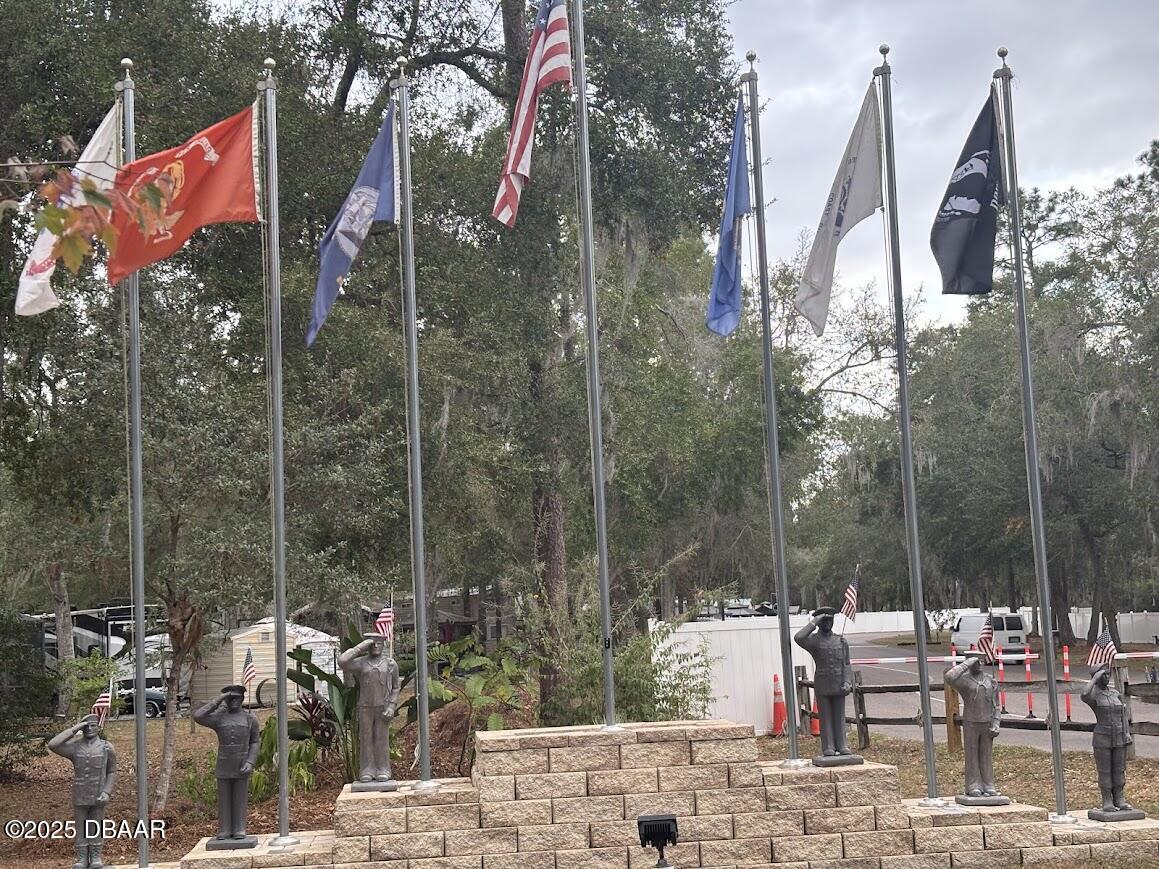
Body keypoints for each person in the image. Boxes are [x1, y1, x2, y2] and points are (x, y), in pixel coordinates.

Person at [48, 714, 118, 869]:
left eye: (93, 725)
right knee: (80, 828)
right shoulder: (74, 747)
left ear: (99, 727)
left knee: (95, 826)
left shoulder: (106, 747)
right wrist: (75, 729)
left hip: (98, 793)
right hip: (80, 793)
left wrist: (107, 792)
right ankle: (81, 859)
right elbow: (53, 745)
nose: (90, 729)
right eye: (86, 726)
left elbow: (112, 771)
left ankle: (95, 858)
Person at [193, 685, 259, 842]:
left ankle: (239, 828)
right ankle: (224, 829)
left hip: (242, 762)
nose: (233, 701)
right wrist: (219, 699)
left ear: (242, 699)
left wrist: (250, 761)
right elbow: (198, 716)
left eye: (236, 698)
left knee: (240, 797)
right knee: (224, 798)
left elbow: (255, 742)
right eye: (230, 698)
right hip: (224, 763)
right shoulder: (219, 717)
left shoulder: (250, 719)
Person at [338, 634, 401, 783]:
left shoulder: (390, 664)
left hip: (383, 707)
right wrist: (361, 646)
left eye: (379, 643)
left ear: (384, 644)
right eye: (372, 644)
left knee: (381, 739)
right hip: (365, 707)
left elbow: (396, 688)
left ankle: (383, 769)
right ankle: (367, 769)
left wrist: (392, 706)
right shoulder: (361, 663)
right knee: (365, 739)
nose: (376, 646)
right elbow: (342, 661)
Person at [794, 606, 854, 757]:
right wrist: (814, 621)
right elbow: (798, 638)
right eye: (824, 621)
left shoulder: (840, 641)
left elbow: (846, 664)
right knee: (825, 717)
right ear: (820, 622)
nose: (828, 623)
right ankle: (828, 747)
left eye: (830, 620)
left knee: (839, 717)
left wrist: (847, 682)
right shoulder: (814, 641)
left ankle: (842, 745)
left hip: (839, 684)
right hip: (823, 684)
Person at [945, 650, 1003, 798]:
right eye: (977, 661)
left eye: (983, 660)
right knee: (972, 754)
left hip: (987, 722)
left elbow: (996, 704)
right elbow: (950, 676)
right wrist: (967, 663)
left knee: (986, 755)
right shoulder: (964, 681)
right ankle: (973, 785)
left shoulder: (990, 680)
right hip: (971, 722)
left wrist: (996, 722)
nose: (980, 664)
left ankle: (988, 784)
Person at [1082, 663, 1135, 813]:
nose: (1106, 677)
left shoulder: (1115, 693)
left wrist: (1127, 733)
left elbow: (1123, 716)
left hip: (1119, 735)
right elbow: (1084, 694)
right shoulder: (1094, 695)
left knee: (1119, 769)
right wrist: (1094, 680)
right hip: (1102, 737)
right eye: (1103, 675)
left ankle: (1119, 798)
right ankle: (1107, 800)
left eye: (1107, 674)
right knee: (1105, 771)